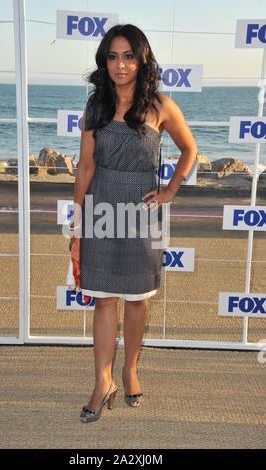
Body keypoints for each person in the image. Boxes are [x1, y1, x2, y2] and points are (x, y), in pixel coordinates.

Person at [68, 24, 197, 423]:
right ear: (104, 61)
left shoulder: (160, 106)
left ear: (142, 60)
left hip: (142, 213)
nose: (120, 65)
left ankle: (130, 370)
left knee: (137, 298)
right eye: (112, 56)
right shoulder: (96, 106)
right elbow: (86, 165)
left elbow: (189, 149)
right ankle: (102, 381)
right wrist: (76, 221)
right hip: (101, 208)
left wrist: (170, 190)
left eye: (127, 56)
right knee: (104, 299)